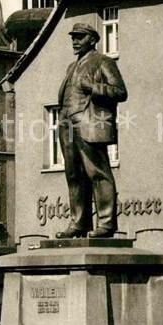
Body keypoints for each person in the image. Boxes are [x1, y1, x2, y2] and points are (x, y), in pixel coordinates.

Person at [56, 22, 128, 239]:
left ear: (93, 40)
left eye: (80, 37)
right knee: (73, 175)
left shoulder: (103, 62)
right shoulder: (71, 67)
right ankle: (79, 222)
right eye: (73, 37)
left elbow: (120, 92)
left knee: (97, 172)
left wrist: (93, 88)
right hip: (67, 123)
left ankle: (106, 224)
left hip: (89, 121)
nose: (75, 41)